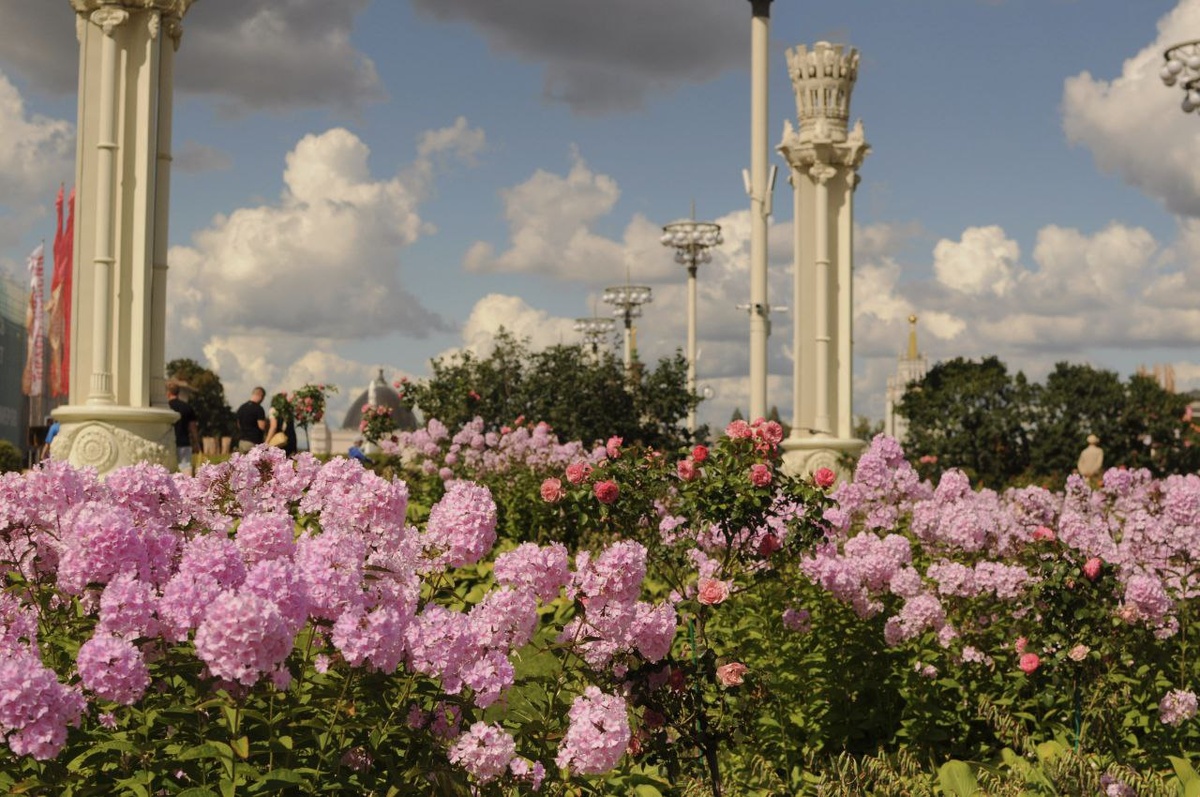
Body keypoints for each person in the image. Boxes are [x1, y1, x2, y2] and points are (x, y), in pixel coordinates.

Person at [167, 380, 200, 475]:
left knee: (168, 469)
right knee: (186, 467)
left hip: (169, 443)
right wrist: (196, 442)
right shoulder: (187, 407)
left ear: (168, 393)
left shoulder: (166, 407)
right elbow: (193, 428)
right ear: (178, 393)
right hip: (184, 442)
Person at [236, 387, 267, 453]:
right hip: (253, 442)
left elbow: (238, 424)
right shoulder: (259, 409)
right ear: (260, 395)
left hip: (241, 442)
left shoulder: (242, 407)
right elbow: (262, 427)